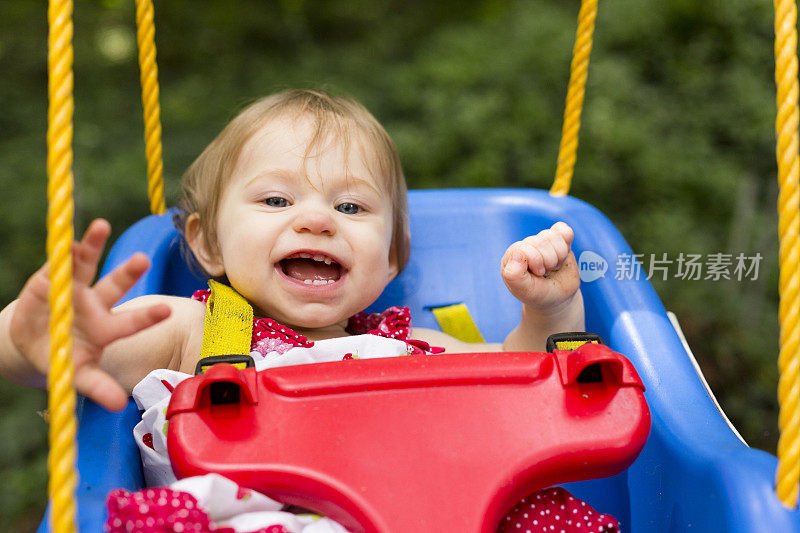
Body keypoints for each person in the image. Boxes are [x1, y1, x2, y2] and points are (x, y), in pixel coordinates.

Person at [0, 90, 616, 533]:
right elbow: (62, 359)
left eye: (351, 208)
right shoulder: (190, 330)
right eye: (275, 199)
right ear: (208, 244)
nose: (317, 219)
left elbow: (531, 383)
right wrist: (41, 338)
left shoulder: (418, 348)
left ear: (392, 258)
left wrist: (551, 306)